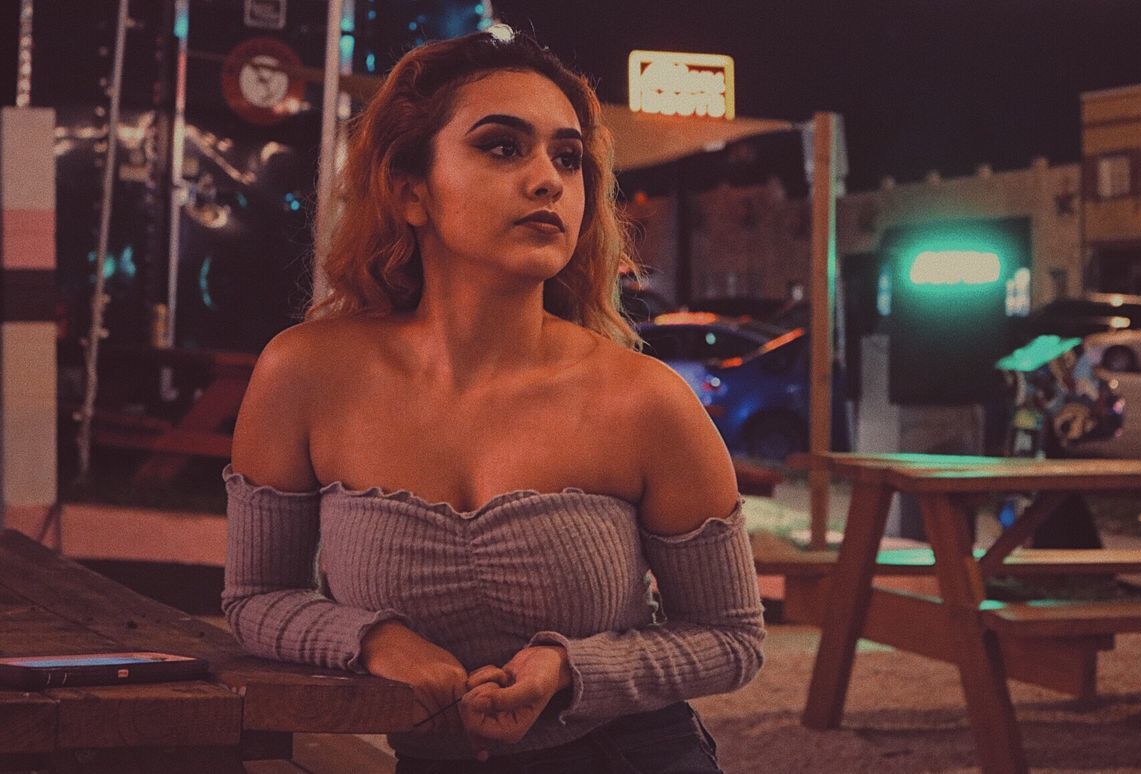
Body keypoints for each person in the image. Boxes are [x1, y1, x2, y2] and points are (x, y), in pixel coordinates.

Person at [222, 26, 765, 773]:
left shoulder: (644, 400)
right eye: (503, 147)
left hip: (631, 756)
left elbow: (733, 637)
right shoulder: (306, 372)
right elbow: (254, 598)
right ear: (412, 191)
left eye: (567, 158)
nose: (547, 179)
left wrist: (573, 670)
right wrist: (370, 640)